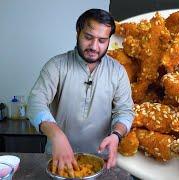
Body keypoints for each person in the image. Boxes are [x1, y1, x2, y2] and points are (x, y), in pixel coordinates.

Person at [27, 9, 134, 177]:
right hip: (57, 160)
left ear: (109, 41)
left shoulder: (118, 71)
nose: (94, 46)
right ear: (78, 32)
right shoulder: (56, 66)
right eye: (88, 37)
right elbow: (35, 103)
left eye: (102, 40)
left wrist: (116, 136)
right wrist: (56, 135)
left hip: (101, 163)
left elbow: (125, 111)